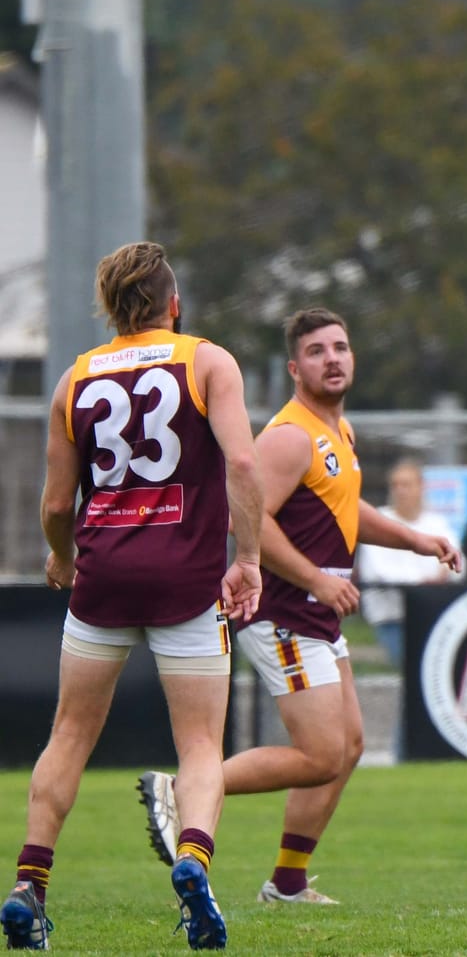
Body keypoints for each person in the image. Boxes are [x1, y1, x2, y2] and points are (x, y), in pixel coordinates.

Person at [137, 309, 460, 909]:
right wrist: (315, 577)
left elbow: (346, 510)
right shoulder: (289, 436)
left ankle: (286, 882)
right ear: (294, 368)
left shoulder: (340, 431)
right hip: (284, 609)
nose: (332, 358)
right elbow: (248, 518)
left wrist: (417, 539)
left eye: (340, 347)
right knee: (319, 755)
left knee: (349, 746)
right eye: (317, 351)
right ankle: (186, 789)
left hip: (316, 611)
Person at [2, 242, 263, 952]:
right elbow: (242, 459)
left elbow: (57, 502)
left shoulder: (75, 379)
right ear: (173, 303)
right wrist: (248, 557)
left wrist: (61, 555)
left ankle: (30, 883)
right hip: (185, 581)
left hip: (103, 577)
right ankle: (193, 856)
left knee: (69, 736)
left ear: (112, 309)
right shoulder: (208, 360)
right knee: (201, 742)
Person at [354, 458, 463, 668]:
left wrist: (445, 571)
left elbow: (457, 562)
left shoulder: (436, 522)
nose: (400, 490)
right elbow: (382, 572)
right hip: (392, 617)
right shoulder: (380, 520)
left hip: (432, 616)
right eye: (395, 485)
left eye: (406, 484)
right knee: (405, 672)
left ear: (421, 487)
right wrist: (427, 583)